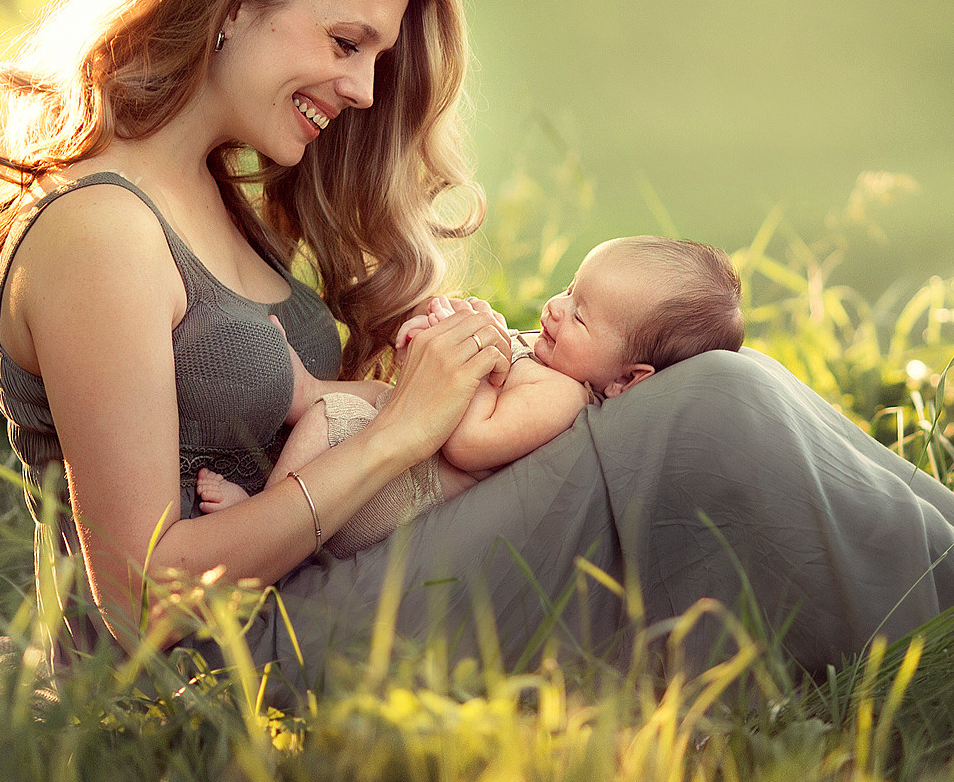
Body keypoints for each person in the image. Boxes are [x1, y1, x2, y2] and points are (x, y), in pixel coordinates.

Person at [0, 0, 954, 689]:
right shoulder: (100, 230)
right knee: (713, 411)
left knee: (694, 404)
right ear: (236, 2)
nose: (365, 93)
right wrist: (404, 433)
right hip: (233, 663)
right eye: (344, 43)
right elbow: (139, 600)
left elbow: (291, 412)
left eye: (375, 57)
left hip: (334, 587)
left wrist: (458, 387)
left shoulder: (222, 204)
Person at [195, 237, 746, 559]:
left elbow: (467, 444)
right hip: (402, 457)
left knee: (327, 420)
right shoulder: (553, 358)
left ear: (628, 380)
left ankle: (265, 517)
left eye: (579, 315)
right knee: (368, 400)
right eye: (570, 288)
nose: (555, 306)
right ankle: (307, 396)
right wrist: (438, 338)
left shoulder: (562, 399)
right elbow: (429, 399)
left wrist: (466, 372)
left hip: (400, 496)